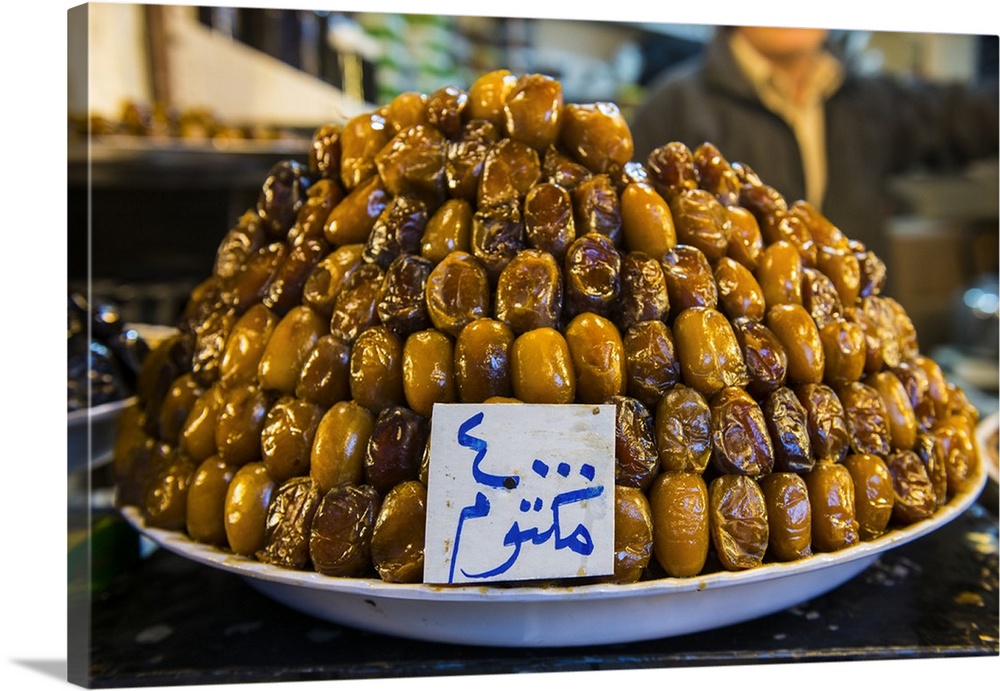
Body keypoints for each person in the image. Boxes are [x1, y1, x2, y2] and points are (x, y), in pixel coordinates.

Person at [629, 26, 999, 261]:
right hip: (739, 366)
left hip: (856, 353)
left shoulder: (871, 101)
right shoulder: (675, 104)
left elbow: (974, 118)